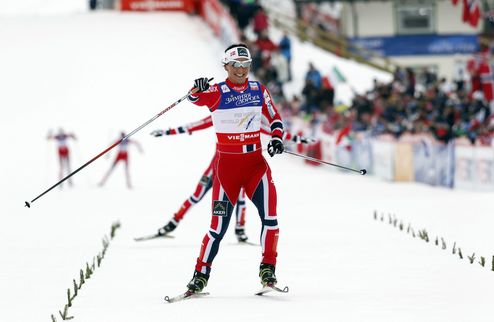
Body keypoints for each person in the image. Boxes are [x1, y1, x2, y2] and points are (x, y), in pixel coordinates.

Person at [183, 43, 285, 293]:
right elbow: (194, 98)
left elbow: (275, 117)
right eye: (235, 65)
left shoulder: (258, 89)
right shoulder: (217, 91)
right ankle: (200, 275)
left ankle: (268, 270)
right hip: (226, 171)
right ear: (226, 66)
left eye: (245, 65)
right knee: (217, 227)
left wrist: (276, 137)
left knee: (270, 220)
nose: (241, 70)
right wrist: (197, 89)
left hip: (255, 167)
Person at [151, 116, 314, 242]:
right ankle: (172, 223)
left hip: (237, 169)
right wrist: (167, 132)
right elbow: (195, 125)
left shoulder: (247, 119)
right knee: (197, 196)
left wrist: (298, 139)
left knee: (241, 196)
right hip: (216, 169)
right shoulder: (221, 115)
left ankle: (240, 229)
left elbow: (270, 130)